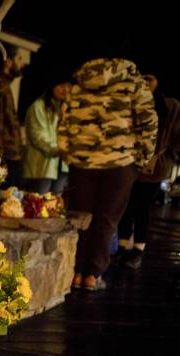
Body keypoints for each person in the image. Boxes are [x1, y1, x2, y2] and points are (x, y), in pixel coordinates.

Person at [58, 58, 158, 291]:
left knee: (80, 218)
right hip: (120, 163)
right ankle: (92, 275)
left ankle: (76, 272)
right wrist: (139, 160)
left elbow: (64, 123)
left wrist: (70, 156)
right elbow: (149, 123)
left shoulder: (79, 83)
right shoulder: (134, 83)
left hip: (81, 162)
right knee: (106, 219)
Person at [115, 74, 180, 269]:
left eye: (150, 78)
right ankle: (122, 246)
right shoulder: (132, 101)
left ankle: (138, 249)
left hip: (154, 165)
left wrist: (169, 156)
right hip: (130, 163)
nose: (145, 82)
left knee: (143, 206)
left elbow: (177, 136)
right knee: (126, 205)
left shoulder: (170, 106)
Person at [22, 79, 72, 194]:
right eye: (61, 84)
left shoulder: (67, 108)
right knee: (39, 204)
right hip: (42, 168)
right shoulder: (38, 107)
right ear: (52, 86)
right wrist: (61, 149)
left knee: (55, 205)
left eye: (68, 85)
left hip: (62, 166)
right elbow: (38, 137)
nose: (66, 89)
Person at [0, 47, 25, 189]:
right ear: (8, 62)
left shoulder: (5, 85)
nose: (22, 64)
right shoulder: (0, 86)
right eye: (19, 59)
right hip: (3, 156)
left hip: (7, 154)